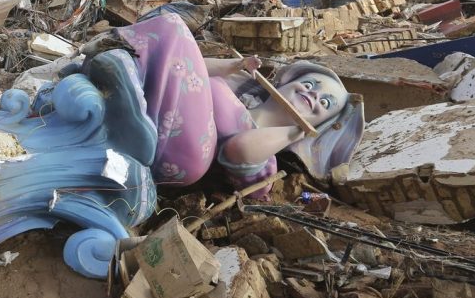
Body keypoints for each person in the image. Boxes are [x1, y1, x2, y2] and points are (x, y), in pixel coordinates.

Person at [73, 13, 364, 194]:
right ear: (284, 82)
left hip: (187, 162)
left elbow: (240, 150)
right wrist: (233, 66)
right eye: (310, 84)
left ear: (318, 126)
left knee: (176, 30)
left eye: (323, 102)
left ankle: (121, 63)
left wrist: (294, 132)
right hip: (164, 118)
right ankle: (119, 66)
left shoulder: (269, 157)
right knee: (178, 33)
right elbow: (195, 67)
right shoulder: (241, 97)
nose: (312, 94)